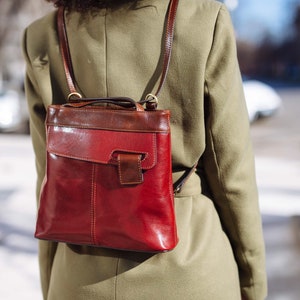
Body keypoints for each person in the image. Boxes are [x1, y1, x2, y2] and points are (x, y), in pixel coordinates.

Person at [22, 0, 267, 299]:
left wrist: (50, 281)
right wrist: (252, 283)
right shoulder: (203, 20)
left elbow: (47, 179)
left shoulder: (42, 34)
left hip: (76, 277)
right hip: (190, 273)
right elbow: (232, 177)